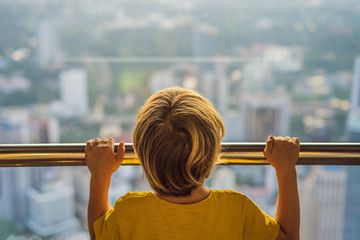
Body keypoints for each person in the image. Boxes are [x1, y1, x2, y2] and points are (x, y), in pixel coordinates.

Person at [85, 86, 300, 240]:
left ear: (142, 153)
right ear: (213, 151)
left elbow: (98, 233)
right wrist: (286, 168)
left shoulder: (128, 212)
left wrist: (100, 174)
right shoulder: (237, 209)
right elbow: (289, 237)